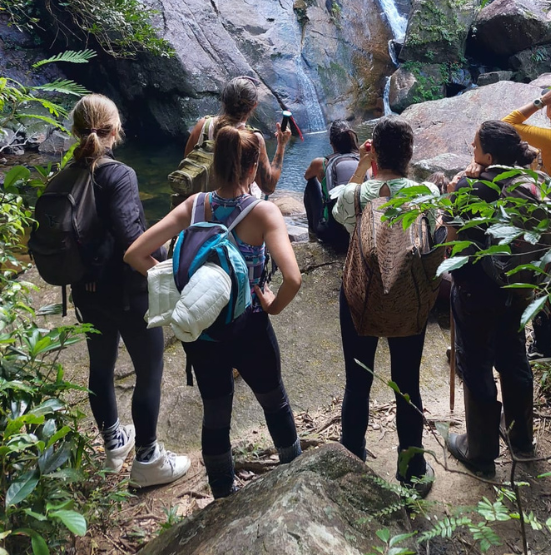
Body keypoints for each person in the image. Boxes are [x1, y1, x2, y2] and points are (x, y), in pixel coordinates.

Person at [125, 126, 302, 499]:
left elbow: (135, 254)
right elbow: (292, 279)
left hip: (205, 334)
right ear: (252, 169)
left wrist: (175, 285)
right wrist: (273, 305)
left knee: (216, 413)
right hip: (251, 327)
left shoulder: (195, 206)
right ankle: (295, 477)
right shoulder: (264, 213)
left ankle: (223, 495)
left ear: (217, 164)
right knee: (275, 401)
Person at [68, 95, 190, 487]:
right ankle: (148, 459)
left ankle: (114, 442)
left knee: (100, 367)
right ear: (114, 129)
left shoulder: (67, 173)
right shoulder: (118, 174)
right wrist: (161, 271)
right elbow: (128, 237)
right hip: (126, 290)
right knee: (149, 368)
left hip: (87, 290)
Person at [332, 115, 440, 496]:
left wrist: (363, 166)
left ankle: (351, 461)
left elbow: (339, 215)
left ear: (374, 150)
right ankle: (412, 471)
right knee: (407, 383)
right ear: (410, 154)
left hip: (361, 297)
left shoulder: (357, 195)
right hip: (408, 299)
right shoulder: (425, 193)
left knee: (357, 382)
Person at [458, 85, 551, 361]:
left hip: (546, 219)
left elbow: (503, 126)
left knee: (541, 280)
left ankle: (543, 346)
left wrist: (540, 100)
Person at [447, 120, 539, 479]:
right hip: (517, 290)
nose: (471, 153)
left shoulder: (472, 186)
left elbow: (451, 243)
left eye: (474, 148)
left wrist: (454, 191)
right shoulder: (528, 181)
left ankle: (480, 450)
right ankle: (522, 440)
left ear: (487, 155)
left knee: (476, 362)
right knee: (514, 357)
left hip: (476, 290)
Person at [185, 75, 292, 197]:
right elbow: (268, 187)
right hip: (240, 211)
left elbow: (188, 165)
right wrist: (281, 145)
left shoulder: (203, 125)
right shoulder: (254, 139)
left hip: (203, 206)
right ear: (254, 106)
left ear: (223, 100)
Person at [303, 120, 361, 247]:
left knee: (311, 183)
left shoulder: (321, 163)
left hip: (332, 234)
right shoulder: (364, 162)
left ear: (331, 142)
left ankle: (312, 234)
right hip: (360, 232)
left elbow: (306, 176)